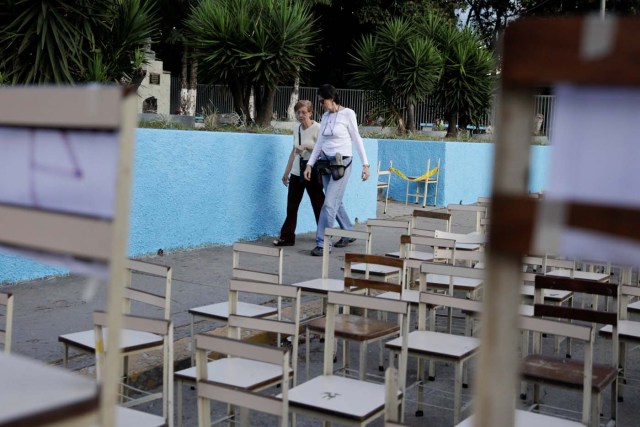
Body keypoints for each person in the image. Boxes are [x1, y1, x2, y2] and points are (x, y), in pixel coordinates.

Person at [303, 84, 370, 256]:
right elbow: (319, 143)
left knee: (329, 204)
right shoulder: (325, 116)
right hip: (325, 163)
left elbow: (357, 138)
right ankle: (347, 231)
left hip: (342, 163)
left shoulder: (348, 113)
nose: (321, 105)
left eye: (322, 101)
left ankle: (323, 243)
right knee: (335, 201)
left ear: (331, 98)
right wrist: (310, 164)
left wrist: (365, 164)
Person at [273, 100, 324, 246]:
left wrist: (308, 147)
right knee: (292, 206)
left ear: (310, 112)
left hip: (312, 171)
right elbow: (294, 150)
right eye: (298, 112)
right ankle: (287, 237)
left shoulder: (318, 128)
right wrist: (287, 171)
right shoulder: (296, 128)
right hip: (297, 171)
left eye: (303, 112)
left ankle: (324, 236)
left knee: (318, 205)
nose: (300, 115)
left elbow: (323, 151)